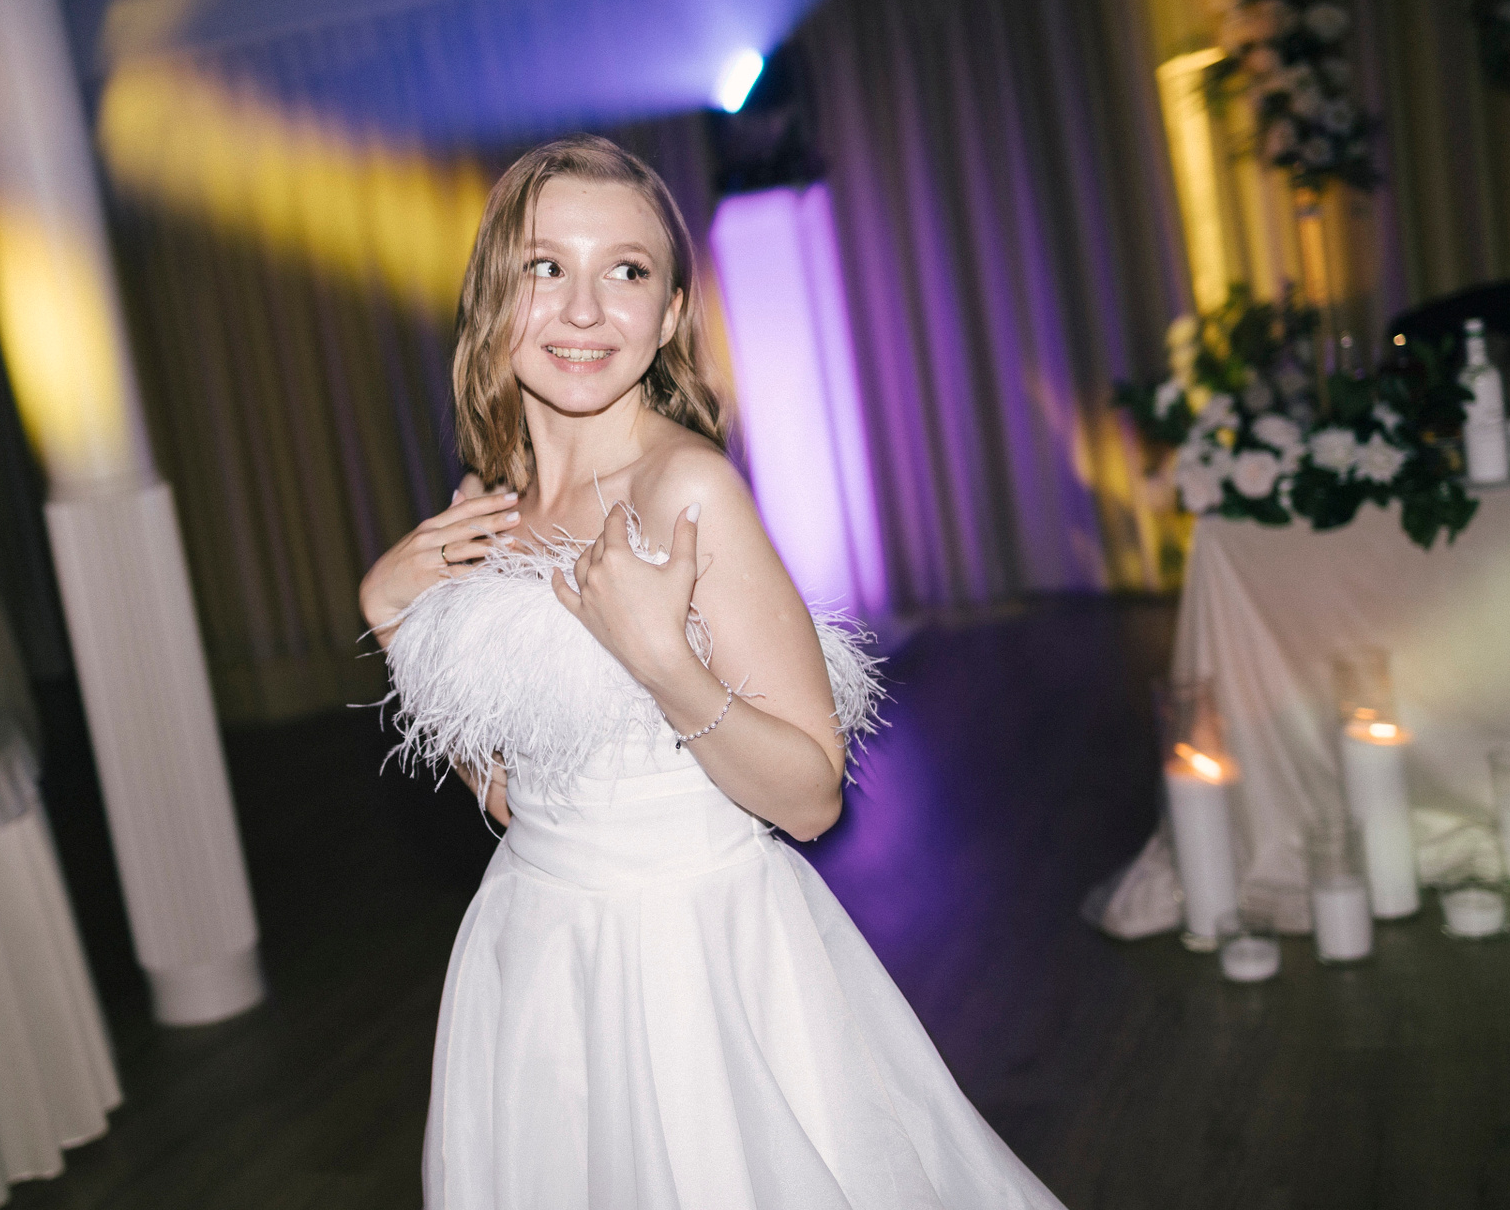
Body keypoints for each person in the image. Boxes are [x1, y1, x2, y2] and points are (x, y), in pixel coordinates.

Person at [359, 135, 1064, 1209]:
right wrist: (393, 618)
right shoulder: (488, 503)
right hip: (537, 950)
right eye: (546, 266)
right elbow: (505, 796)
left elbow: (812, 796)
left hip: (696, 958)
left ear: (669, 313)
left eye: (626, 270)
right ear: (493, 296)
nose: (584, 309)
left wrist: (662, 661)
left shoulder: (689, 490)